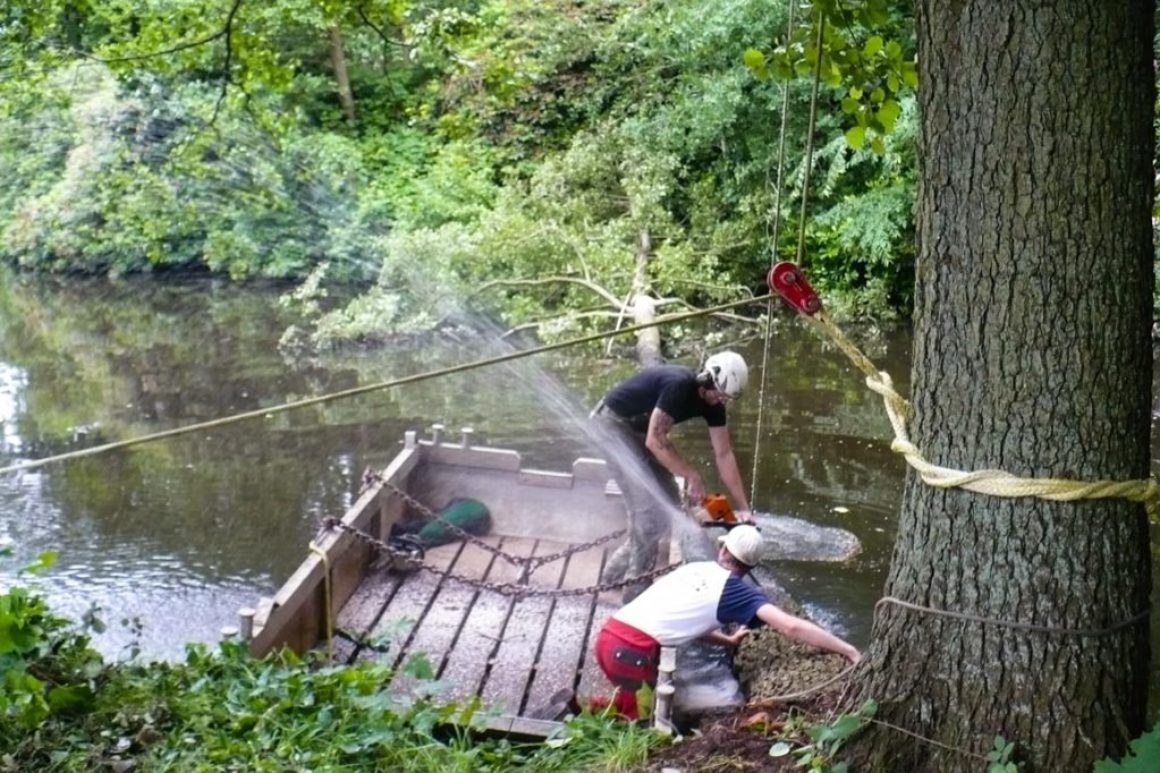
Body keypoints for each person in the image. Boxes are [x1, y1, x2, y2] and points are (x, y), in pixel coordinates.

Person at [592, 525, 861, 720]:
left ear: (722, 549)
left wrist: (727, 640)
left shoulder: (693, 569)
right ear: (751, 567)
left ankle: (586, 711)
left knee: (641, 706)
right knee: (641, 723)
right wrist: (848, 649)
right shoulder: (737, 591)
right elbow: (791, 626)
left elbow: (678, 621)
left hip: (609, 637)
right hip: (631, 654)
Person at [591, 351, 755, 585]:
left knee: (667, 501)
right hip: (611, 426)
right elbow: (655, 441)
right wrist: (691, 476)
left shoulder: (715, 403)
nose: (722, 401)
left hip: (639, 432)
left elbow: (724, 454)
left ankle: (611, 576)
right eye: (720, 395)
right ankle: (635, 588)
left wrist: (743, 508)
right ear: (707, 380)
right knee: (648, 511)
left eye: (727, 398)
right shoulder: (679, 385)